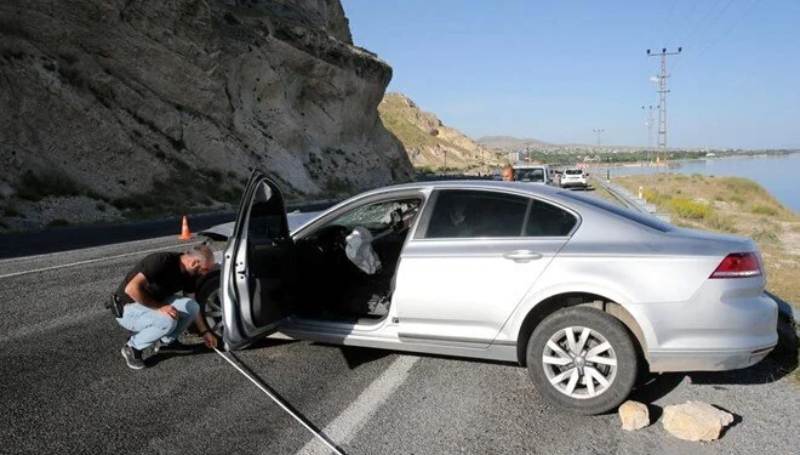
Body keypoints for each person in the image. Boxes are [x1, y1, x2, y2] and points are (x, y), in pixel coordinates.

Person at [114, 244, 218, 370]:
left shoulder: (190, 274)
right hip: (127, 308)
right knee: (167, 319)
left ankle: (166, 343)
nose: (205, 273)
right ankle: (132, 347)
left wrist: (205, 332)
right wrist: (159, 308)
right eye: (205, 269)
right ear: (194, 263)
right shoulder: (161, 261)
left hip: (153, 303)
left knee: (192, 307)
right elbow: (131, 289)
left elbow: (191, 300)